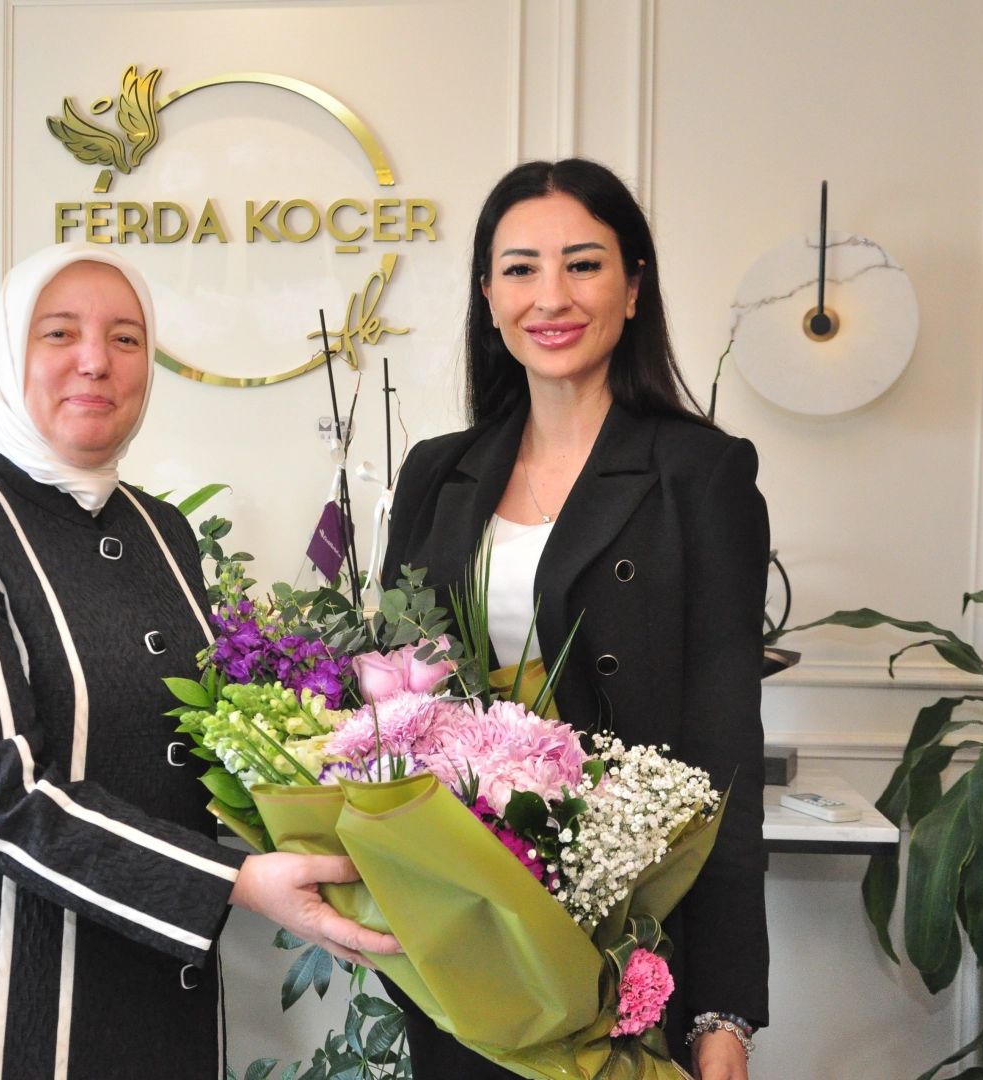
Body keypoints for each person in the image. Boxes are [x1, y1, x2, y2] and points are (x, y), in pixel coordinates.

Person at [0, 243, 398, 1080]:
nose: (95, 361)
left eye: (126, 338)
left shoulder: (163, 531)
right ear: (9, 353)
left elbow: (196, 746)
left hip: (154, 995)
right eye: (59, 332)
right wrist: (234, 881)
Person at [378, 159, 769, 1080]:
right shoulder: (436, 473)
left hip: (631, 936)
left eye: (583, 265)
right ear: (487, 296)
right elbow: (398, 710)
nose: (550, 296)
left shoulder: (700, 475)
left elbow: (726, 748)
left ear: (633, 289)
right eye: (520, 269)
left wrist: (723, 1009)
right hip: (467, 937)